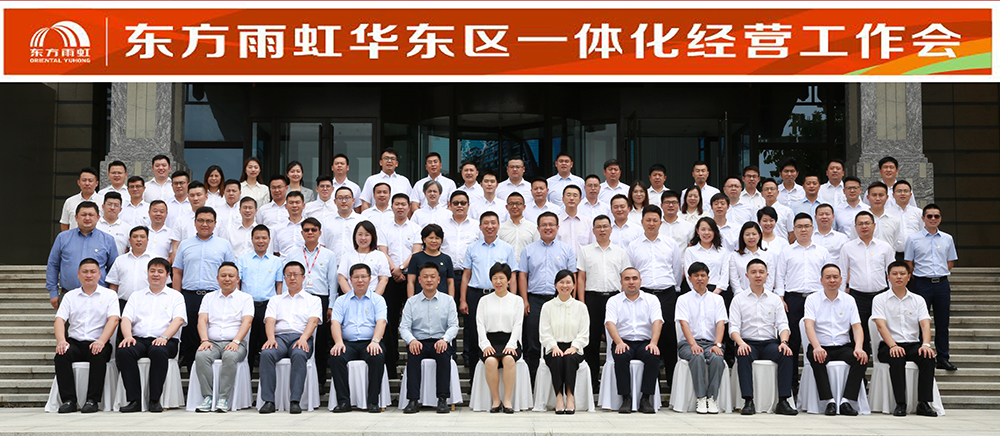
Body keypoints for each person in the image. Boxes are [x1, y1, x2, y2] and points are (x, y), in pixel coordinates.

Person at [117, 258, 186, 413]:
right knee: (124, 351)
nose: (156, 274)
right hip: (139, 339)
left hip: (166, 340)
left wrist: (164, 337)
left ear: (167, 275)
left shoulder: (175, 296)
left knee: (158, 351)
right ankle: (134, 400)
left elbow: (178, 320)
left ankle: (155, 400)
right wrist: (127, 336)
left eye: (160, 271)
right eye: (152, 271)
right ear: (147, 273)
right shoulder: (136, 296)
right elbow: (126, 318)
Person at [729, 259, 797, 416]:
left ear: (767, 275)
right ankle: (748, 401)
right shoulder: (738, 299)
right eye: (753, 272)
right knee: (743, 354)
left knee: (786, 353)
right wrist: (740, 343)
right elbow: (733, 328)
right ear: (747, 275)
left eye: (761, 272)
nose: (758, 275)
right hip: (747, 342)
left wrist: (784, 342)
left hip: (769, 344)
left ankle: (783, 401)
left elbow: (783, 325)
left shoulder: (775, 299)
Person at [872, 261, 939, 417]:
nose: (899, 277)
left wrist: (926, 344)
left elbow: (925, 325)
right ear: (888, 277)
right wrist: (893, 346)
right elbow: (881, 326)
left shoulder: (918, 300)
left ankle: (923, 403)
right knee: (897, 356)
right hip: (888, 345)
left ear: (909, 277)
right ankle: (900, 404)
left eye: (902, 274)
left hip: (913, 345)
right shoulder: (880, 299)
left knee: (928, 357)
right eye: (894, 274)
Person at [172, 207, 236, 370]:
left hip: (216, 296)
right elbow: (177, 271)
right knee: (191, 335)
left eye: (209, 221)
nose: (204, 224)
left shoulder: (224, 244)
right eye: (200, 220)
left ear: (215, 223)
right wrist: (177, 297)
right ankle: (192, 371)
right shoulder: (185, 245)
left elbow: (231, 272)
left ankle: (213, 372)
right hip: (190, 296)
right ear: (194, 222)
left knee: (214, 333)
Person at [53, 258, 120, 413]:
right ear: (78, 274)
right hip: (75, 342)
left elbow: (114, 319)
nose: (89, 275)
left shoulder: (109, 295)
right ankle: (69, 400)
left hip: (99, 341)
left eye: (92, 272)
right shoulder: (70, 296)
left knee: (98, 356)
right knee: (61, 356)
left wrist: (101, 341)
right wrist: (61, 341)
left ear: (99, 274)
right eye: (85, 272)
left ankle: (92, 400)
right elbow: (59, 320)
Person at [627, 205, 683, 380]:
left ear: (661, 222)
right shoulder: (633, 246)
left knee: (669, 338)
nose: (651, 223)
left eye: (655, 220)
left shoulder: (670, 244)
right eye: (648, 220)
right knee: (647, 337)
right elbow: (631, 272)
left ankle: (673, 383)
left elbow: (677, 270)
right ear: (642, 221)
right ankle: (652, 385)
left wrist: (673, 289)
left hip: (667, 294)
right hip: (643, 295)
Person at [519, 212, 577, 383]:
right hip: (535, 300)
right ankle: (533, 382)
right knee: (533, 340)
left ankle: (558, 381)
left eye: (551, 224)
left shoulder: (566, 249)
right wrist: (525, 300)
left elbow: (572, 276)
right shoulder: (528, 250)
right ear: (538, 228)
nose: (548, 227)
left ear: (557, 227)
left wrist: (572, 300)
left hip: (559, 300)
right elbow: (523, 275)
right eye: (544, 224)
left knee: (559, 338)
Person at [258, 262, 322, 414]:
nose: (292, 278)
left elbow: (313, 322)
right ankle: (268, 401)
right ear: (284, 278)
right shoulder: (276, 300)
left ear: (303, 277)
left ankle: (295, 401)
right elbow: (270, 321)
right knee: (267, 353)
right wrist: (271, 338)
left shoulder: (313, 299)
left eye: (296, 274)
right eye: (288, 275)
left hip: (301, 337)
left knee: (299, 354)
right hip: (279, 338)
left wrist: (304, 339)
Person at [804, 264, 867, 416]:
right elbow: (809, 326)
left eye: (835, 277)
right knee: (816, 357)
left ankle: (846, 401)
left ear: (841, 280)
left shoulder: (849, 300)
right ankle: (829, 401)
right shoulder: (812, 299)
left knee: (860, 358)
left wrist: (859, 347)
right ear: (821, 280)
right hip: (820, 345)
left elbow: (857, 327)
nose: (832, 280)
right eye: (828, 277)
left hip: (842, 346)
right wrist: (817, 347)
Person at [774, 213, 830, 385]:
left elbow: (828, 276)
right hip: (793, 299)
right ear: (794, 229)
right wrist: (781, 298)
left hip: (817, 299)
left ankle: (817, 383)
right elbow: (779, 276)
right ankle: (791, 384)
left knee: (818, 339)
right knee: (793, 341)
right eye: (799, 226)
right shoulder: (786, 251)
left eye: (807, 226)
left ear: (813, 228)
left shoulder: (822, 251)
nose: (803, 229)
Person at [461, 212, 519, 371]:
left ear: (499, 225)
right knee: (474, 335)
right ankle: (475, 379)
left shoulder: (507, 248)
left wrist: (513, 298)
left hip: (500, 295)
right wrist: (463, 300)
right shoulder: (472, 248)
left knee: (500, 331)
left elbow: (513, 276)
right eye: (486, 223)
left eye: (493, 222)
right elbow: (466, 275)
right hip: (476, 294)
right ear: (480, 227)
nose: (490, 226)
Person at [399, 262, 460, 414]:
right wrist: (412, 340)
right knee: (413, 356)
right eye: (425, 277)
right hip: (419, 342)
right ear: (419, 280)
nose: (429, 280)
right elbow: (404, 327)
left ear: (438, 279)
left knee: (443, 355)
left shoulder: (448, 300)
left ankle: (442, 399)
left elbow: (454, 325)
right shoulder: (411, 302)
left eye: (432, 277)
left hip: (440, 340)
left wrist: (445, 339)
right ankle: (413, 400)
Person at [193, 262, 253, 413]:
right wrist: (204, 340)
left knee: (230, 356)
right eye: (223, 275)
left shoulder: (245, 298)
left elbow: (247, 322)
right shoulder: (208, 297)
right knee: (201, 355)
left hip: (236, 343)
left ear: (238, 279)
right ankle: (208, 397)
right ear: (217, 278)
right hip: (212, 342)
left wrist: (236, 341)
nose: (227, 279)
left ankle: (223, 398)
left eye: (231, 276)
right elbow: (202, 320)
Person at [904, 203, 958, 371]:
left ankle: (943, 357)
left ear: (940, 218)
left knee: (942, 323)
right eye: (929, 216)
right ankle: (921, 356)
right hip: (922, 284)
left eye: (936, 216)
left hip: (942, 284)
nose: (933, 219)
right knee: (920, 321)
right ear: (923, 218)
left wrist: (940, 274)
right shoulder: (913, 239)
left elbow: (950, 261)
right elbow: (908, 262)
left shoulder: (947, 238)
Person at [329, 263, 388, 413]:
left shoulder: (378, 300)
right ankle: (344, 402)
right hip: (347, 343)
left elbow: (381, 322)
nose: (360, 280)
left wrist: (375, 341)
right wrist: (338, 342)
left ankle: (373, 401)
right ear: (350, 280)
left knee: (377, 356)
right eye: (356, 277)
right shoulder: (341, 300)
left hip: (370, 342)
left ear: (370, 279)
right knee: (336, 357)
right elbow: (335, 323)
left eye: (363, 277)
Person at [577, 214, 629, 386]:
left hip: (614, 298)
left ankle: (614, 381)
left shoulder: (620, 252)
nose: (602, 230)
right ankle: (592, 381)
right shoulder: (585, 251)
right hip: (592, 298)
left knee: (616, 339)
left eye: (605, 226)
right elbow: (581, 278)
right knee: (591, 341)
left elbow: (625, 278)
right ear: (593, 230)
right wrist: (582, 302)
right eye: (598, 227)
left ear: (611, 229)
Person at [605, 267, 662, 414]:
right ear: (621, 282)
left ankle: (645, 399)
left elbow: (657, 321)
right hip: (623, 341)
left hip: (645, 342)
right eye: (627, 279)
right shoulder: (613, 301)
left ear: (640, 281)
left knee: (653, 355)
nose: (631, 282)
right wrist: (619, 342)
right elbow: (610, 323)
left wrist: (654, 343)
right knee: (621, 355)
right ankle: (626, 398)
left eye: (634, 278)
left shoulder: (651, 299)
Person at [377, 193, 421, 378]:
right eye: (397, 204)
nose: (400, 207)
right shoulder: (384, 228)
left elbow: (416, 252)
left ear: (409, 207)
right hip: (390, 279)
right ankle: (391, 365)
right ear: (392, 206)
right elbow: (383, 252)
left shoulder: (416, 228)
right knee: (391, 321)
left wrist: (401, 268)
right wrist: (394, 270)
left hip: (411, 277)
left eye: (404, 204)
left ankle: (414, 361)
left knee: (415, 320)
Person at [676, 262, 729, 414]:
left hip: (711, 343)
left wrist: (717, 344)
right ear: (690, 279)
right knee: (697, 356)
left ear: (708, 278)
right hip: (688, 344)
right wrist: (693, 344)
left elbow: (721, 324)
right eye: (696, 276)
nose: (700, 278)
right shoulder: (683, 299)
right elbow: (684, 324)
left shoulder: (717, 299)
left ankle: (712, 398)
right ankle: (700, 397)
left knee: (717, 358)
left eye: (703, 275)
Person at [841, 210, 895, 356]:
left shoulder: (885, 247)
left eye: (867, 223)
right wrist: (842, 296)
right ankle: (861, 364)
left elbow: (891, 273)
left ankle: (883, 360)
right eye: (860, 224)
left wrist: (892, 294)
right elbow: (843, 273)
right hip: (857, 296)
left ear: (874, 225)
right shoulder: (847, 248)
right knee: (859, 331)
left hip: (881, 296)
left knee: (883, 329)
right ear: (855, 227)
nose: (864, 226)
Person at [46, 201, 118, 310]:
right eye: (83, 215)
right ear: (76, 217)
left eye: (91, 215)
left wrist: (111, 294)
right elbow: (53, 265)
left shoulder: (108, 240)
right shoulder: (62, 238)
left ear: (98, 217)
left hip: (99, 297)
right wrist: (53, 292)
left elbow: (114, 270)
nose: (87, 218)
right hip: (68, 296)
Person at [294, 218, 339, 382]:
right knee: (299, 336)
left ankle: (320, 380)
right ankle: (301, 380)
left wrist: (331, 305)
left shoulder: (328, 255)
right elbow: (288, 280)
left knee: (321, 341)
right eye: (306, 230)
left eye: (314, 230)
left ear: (320, 233)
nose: (310, 233)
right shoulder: (294, 254)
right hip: (299, 298)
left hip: (321, 299)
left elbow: (332, 282)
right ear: (302, 233)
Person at [539, 270, 589, 414]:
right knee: (556, 359)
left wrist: (574, 347)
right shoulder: (547, 306)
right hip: (553, 347)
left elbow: (584, 332)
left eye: (568, 282)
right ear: (555, 285)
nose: (565, 286)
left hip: (574, 348)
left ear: (574, 285)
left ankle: (570, 396)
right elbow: (544, 332)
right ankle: (559, 396)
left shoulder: (581, 307)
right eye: (561, 282)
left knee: (569, 359)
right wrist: (553, 347)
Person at [476, 262, 523, 414]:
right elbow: (480, 325)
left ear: (509, 280)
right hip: (490, 341)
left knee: (509, 359)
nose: (498, 281)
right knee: (490, 361)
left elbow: (518, 325)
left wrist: (511, 344)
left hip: (510, 340)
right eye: (495, 278)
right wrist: (485, 345)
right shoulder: (484, 300)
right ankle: (496, 400)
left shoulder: (517, 300)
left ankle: (507, 400)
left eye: (502, 278)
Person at [235, 224, 284, 371]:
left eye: (264, 238)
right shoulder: (243, 260)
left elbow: (279, 284)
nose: (260, 241)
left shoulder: (276, 261)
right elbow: (238, 283)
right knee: (248, 344)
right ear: (252, 239)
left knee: (267, 344)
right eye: (257, 238)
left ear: (269, 240)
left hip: (268, 307)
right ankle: (246, 378)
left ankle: (266, 379)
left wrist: (278, 305)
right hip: (248, 306)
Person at [107, 226, 156, 314]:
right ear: (129, 240)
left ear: (147, 240)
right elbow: (113, 285)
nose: (138, 240)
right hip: (123, 304)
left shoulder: (155, 260)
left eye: (142, 237)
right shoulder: (120, 260)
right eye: (135, 237)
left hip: (149, 304)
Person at [337, 221, 391, 297]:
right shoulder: (347, 256)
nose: (363, 238)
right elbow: (342, 278)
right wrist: (351, 297)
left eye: (367, 235)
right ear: (355, 236)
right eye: (360, 234)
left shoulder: (380, 255)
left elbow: (383, 279)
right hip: (351, 296)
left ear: (372, 237)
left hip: (373, 296)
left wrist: (374, 298)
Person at [440, 191, 482, 279]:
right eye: (455, 203)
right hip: (445, 274)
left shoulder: (477, 226)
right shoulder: (442, 225)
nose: (459, 206)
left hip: (470, 274)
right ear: (450, 205)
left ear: (468, 205)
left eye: (463, 203)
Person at [684, 217, 731, 297]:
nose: (706, 233)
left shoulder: (722, 251)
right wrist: (699, 292)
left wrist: (715, 293)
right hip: (696, 292)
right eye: (703, 229)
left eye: (710, 230)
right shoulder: (690, 251)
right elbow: (689, 274)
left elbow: (725, 274)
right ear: (697, 231)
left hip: (718, 292)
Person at [406, 224, 455, 299]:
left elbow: (450, 282)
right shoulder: (416, 257)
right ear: (424, 239)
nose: (434, 241)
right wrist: (411, 300)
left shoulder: (446, 259)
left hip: (442, 300)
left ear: (441, 241)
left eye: (437, 238)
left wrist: (451, 300)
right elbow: (411, 282)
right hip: (420, 299)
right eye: (431, 238)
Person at [168, 181, 211, 262]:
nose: (195, 198)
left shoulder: (217, 220)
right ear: (188, 197)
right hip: (186, 265)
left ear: (206, 196)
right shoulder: (180, 220)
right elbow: (175, 248)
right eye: (192, 195)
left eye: (199, 195)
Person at [729, 222, 775, 295]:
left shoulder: (767, 256)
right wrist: (741, 295)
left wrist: (764, 294)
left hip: (764, 296)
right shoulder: (735, 256)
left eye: (754, 234)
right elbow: (734, 280)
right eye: (747, 234)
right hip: (742, 296)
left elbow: (770, 279)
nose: (751, 237)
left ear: (759, 236)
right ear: (742, 236)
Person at [319, 187, 364, 260]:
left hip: (356, 263)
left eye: (347, 198)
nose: (343, 201)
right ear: (335, 201)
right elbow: (321, 245)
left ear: (353, 200)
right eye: (340, 198)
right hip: (332, 263)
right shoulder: (326, 221)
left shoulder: (362, 220)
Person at [888, 180, 923, 260]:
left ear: (910, 195)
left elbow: (923, 232)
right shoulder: (887, 213)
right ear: (893, 195)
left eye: (906, 191)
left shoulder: (919, 212)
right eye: (899, 191)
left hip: (916, 255)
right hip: (895, 255)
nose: (902, 194)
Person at [60, 167, 103, 231]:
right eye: (84, 180)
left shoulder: (103, 201)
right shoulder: (70, 201)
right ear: (78, 182)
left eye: (90, 180)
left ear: (96, 183)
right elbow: (65, 224)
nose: (87, 183)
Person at [556, 185, 594, 257]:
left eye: (575, 195)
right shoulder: (556, 222)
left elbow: (592, 245)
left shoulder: (588, 222)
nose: (571, 198)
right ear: (563, 199)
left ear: (580, 200)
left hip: (583, 262)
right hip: (562, 261)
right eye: (568, 195)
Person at [812, 203, 850, 270]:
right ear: (815, 217)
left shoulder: (842, 238)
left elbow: (847, 260)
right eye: (821, 214)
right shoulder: (810, 238)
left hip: (835, 274)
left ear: (833, 217)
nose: (824, 217)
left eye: (827, 214)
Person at [271, 191, 307, 256]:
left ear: (303, 205)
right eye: (291, 203)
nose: (294, 205)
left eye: (297, 202)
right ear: (286, 206)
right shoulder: (278, 228)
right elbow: (276, 252)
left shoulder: (310, 228)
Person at [866, 182, 901, 248]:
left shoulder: (894, 220)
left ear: (887, 197)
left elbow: (894, 244)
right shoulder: (860, 220)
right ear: (868, 197)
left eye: (881, 195)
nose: (877, 198)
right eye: (874, 195)